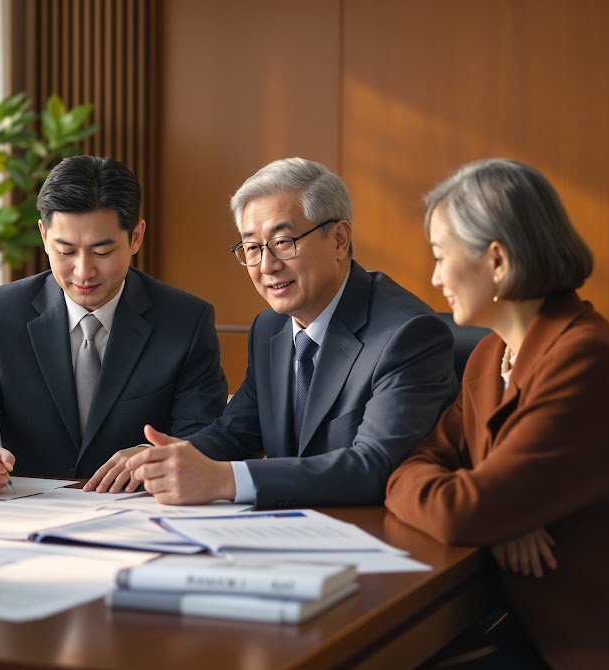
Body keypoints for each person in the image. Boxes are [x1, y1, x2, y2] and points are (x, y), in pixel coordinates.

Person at [385, 159, 609, 669]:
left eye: (441, 256)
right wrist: (502, 514)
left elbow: (463, 510)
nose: (434, 276)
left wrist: (491, 509)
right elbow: (416, 464)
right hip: (519, 624)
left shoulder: (585, 359)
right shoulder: (489, 355)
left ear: (498, 260)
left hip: (590, 649)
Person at [88, 157, 457, 505]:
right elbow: (237, 433)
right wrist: (159, 459)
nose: (266, 265)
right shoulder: (271, 327)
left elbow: (374, 467)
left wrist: (225, 481)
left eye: (283, 243)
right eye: (251, 247)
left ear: (340, 240)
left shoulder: (407, 334)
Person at [0, 155, 228, 494]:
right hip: (27, 512)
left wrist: (152, 458)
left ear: (136, 237)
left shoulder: (185, 321)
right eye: (66, 251)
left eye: (102, 252)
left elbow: (205, 433)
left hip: (140, 510)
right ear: (44, 236)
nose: (83, 271)